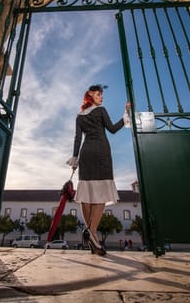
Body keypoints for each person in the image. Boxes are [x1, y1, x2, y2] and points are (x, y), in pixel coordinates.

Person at [67, 84, 131, 256]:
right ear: (90, 95)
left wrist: (75, 158)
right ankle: (92, 231)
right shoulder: (101, 110)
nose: (101, 97)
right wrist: (126, 114)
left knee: (86, 193)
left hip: (86, 153)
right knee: (101, 194)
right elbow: (112, 129)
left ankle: (92, 237)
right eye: (98, 94)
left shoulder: (79, 116)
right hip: (102, 152)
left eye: (101, 95)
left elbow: (77, 139)